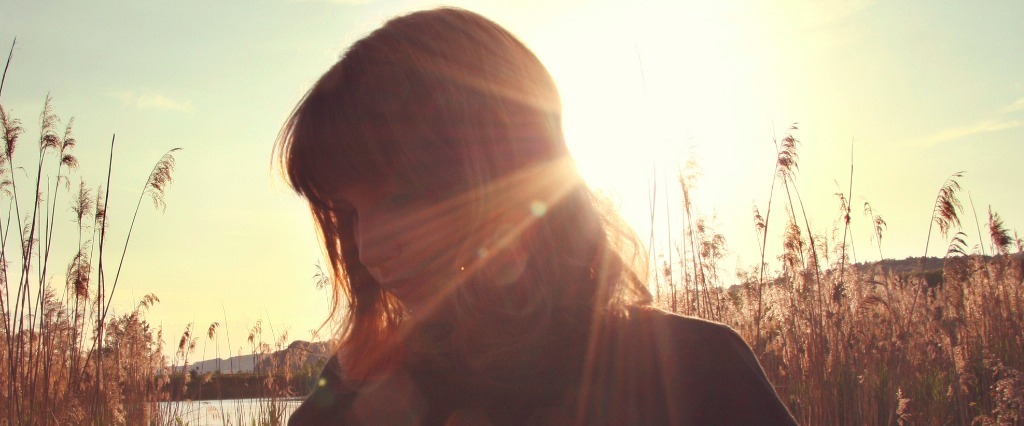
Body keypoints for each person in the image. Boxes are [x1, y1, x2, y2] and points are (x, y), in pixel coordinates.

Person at [276, 7, 797, 425]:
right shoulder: (353, 393)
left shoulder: (692, 370)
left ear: (501, 173)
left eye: (399, 198)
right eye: (349, 213)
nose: (369, 247)